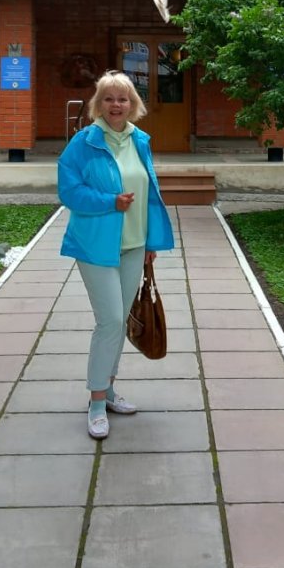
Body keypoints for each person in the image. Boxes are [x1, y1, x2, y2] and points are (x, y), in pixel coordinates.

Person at [57, 70, 174, 439]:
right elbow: (69, 191)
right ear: (99, 104)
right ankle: (95, 401)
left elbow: (149, 193)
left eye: (122, 98)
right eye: (108, 98)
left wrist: (150, 243)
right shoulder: (84, 142)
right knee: (109, 321)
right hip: (95, 245)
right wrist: (110, 202)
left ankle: (107, 390)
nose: (116, 105)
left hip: (134, 245)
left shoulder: (140, 140)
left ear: (132, 104)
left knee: (120, 320)